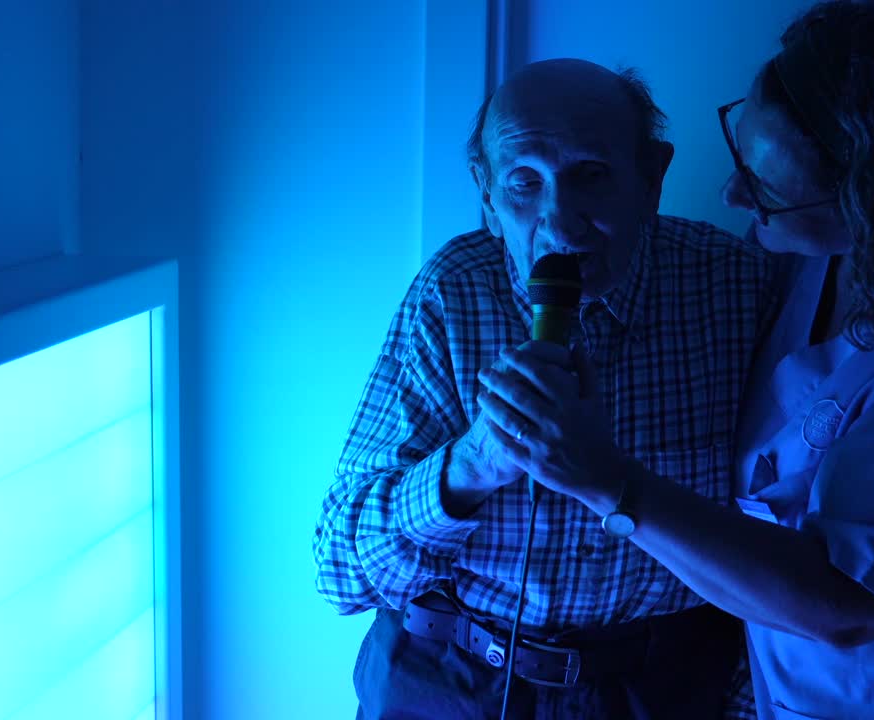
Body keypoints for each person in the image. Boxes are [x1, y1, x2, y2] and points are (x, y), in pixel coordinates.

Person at [477, 2, 874, 717]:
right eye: (742, 152)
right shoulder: (810, 254)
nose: (732, 194)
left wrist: (606, 482)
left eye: (766, 188)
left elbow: (849, 604)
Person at [313, 58, 779, 718]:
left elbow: (788, 533)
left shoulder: (738, 285)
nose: (559, 225)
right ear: (487, 193)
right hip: (451, 676)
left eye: (591, 175)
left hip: (660, 686)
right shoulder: (453, 292)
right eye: (523, 184)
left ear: (653, 177)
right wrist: (469, 466)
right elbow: (338, 573)